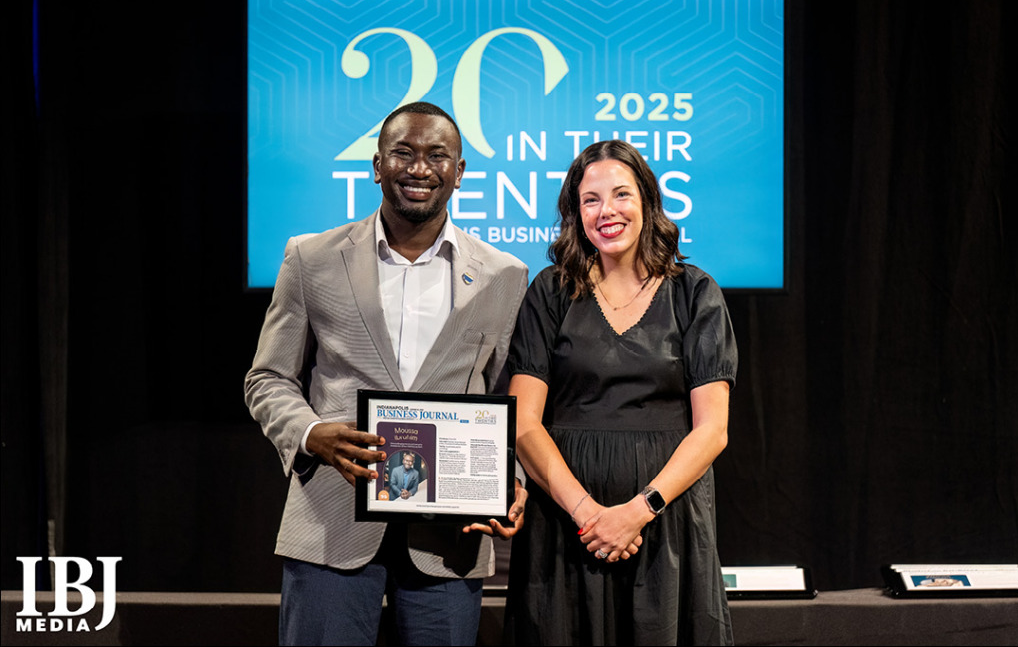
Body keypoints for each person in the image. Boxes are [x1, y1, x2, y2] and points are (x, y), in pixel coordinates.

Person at [244, 101, 529, 646]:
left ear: (459, 172)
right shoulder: (311, 257)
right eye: (403, 152)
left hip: (449, 535)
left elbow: (509, 402)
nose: (419, 168)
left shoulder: (504, 275)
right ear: (377, 166)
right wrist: (310, 433)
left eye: (437, 155)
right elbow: (268, 378)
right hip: (331, 519)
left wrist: (510, 481)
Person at [505, 140, 737, 645]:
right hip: (566, 528)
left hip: (665, 525)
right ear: (575, 214)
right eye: (590, 200)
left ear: (647, 201)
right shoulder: (549, 291)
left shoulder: (695, 293)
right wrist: (589, 515)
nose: (606, 210)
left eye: (621, 194)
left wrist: (637, 511)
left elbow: (713, 430)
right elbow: (522, 424)